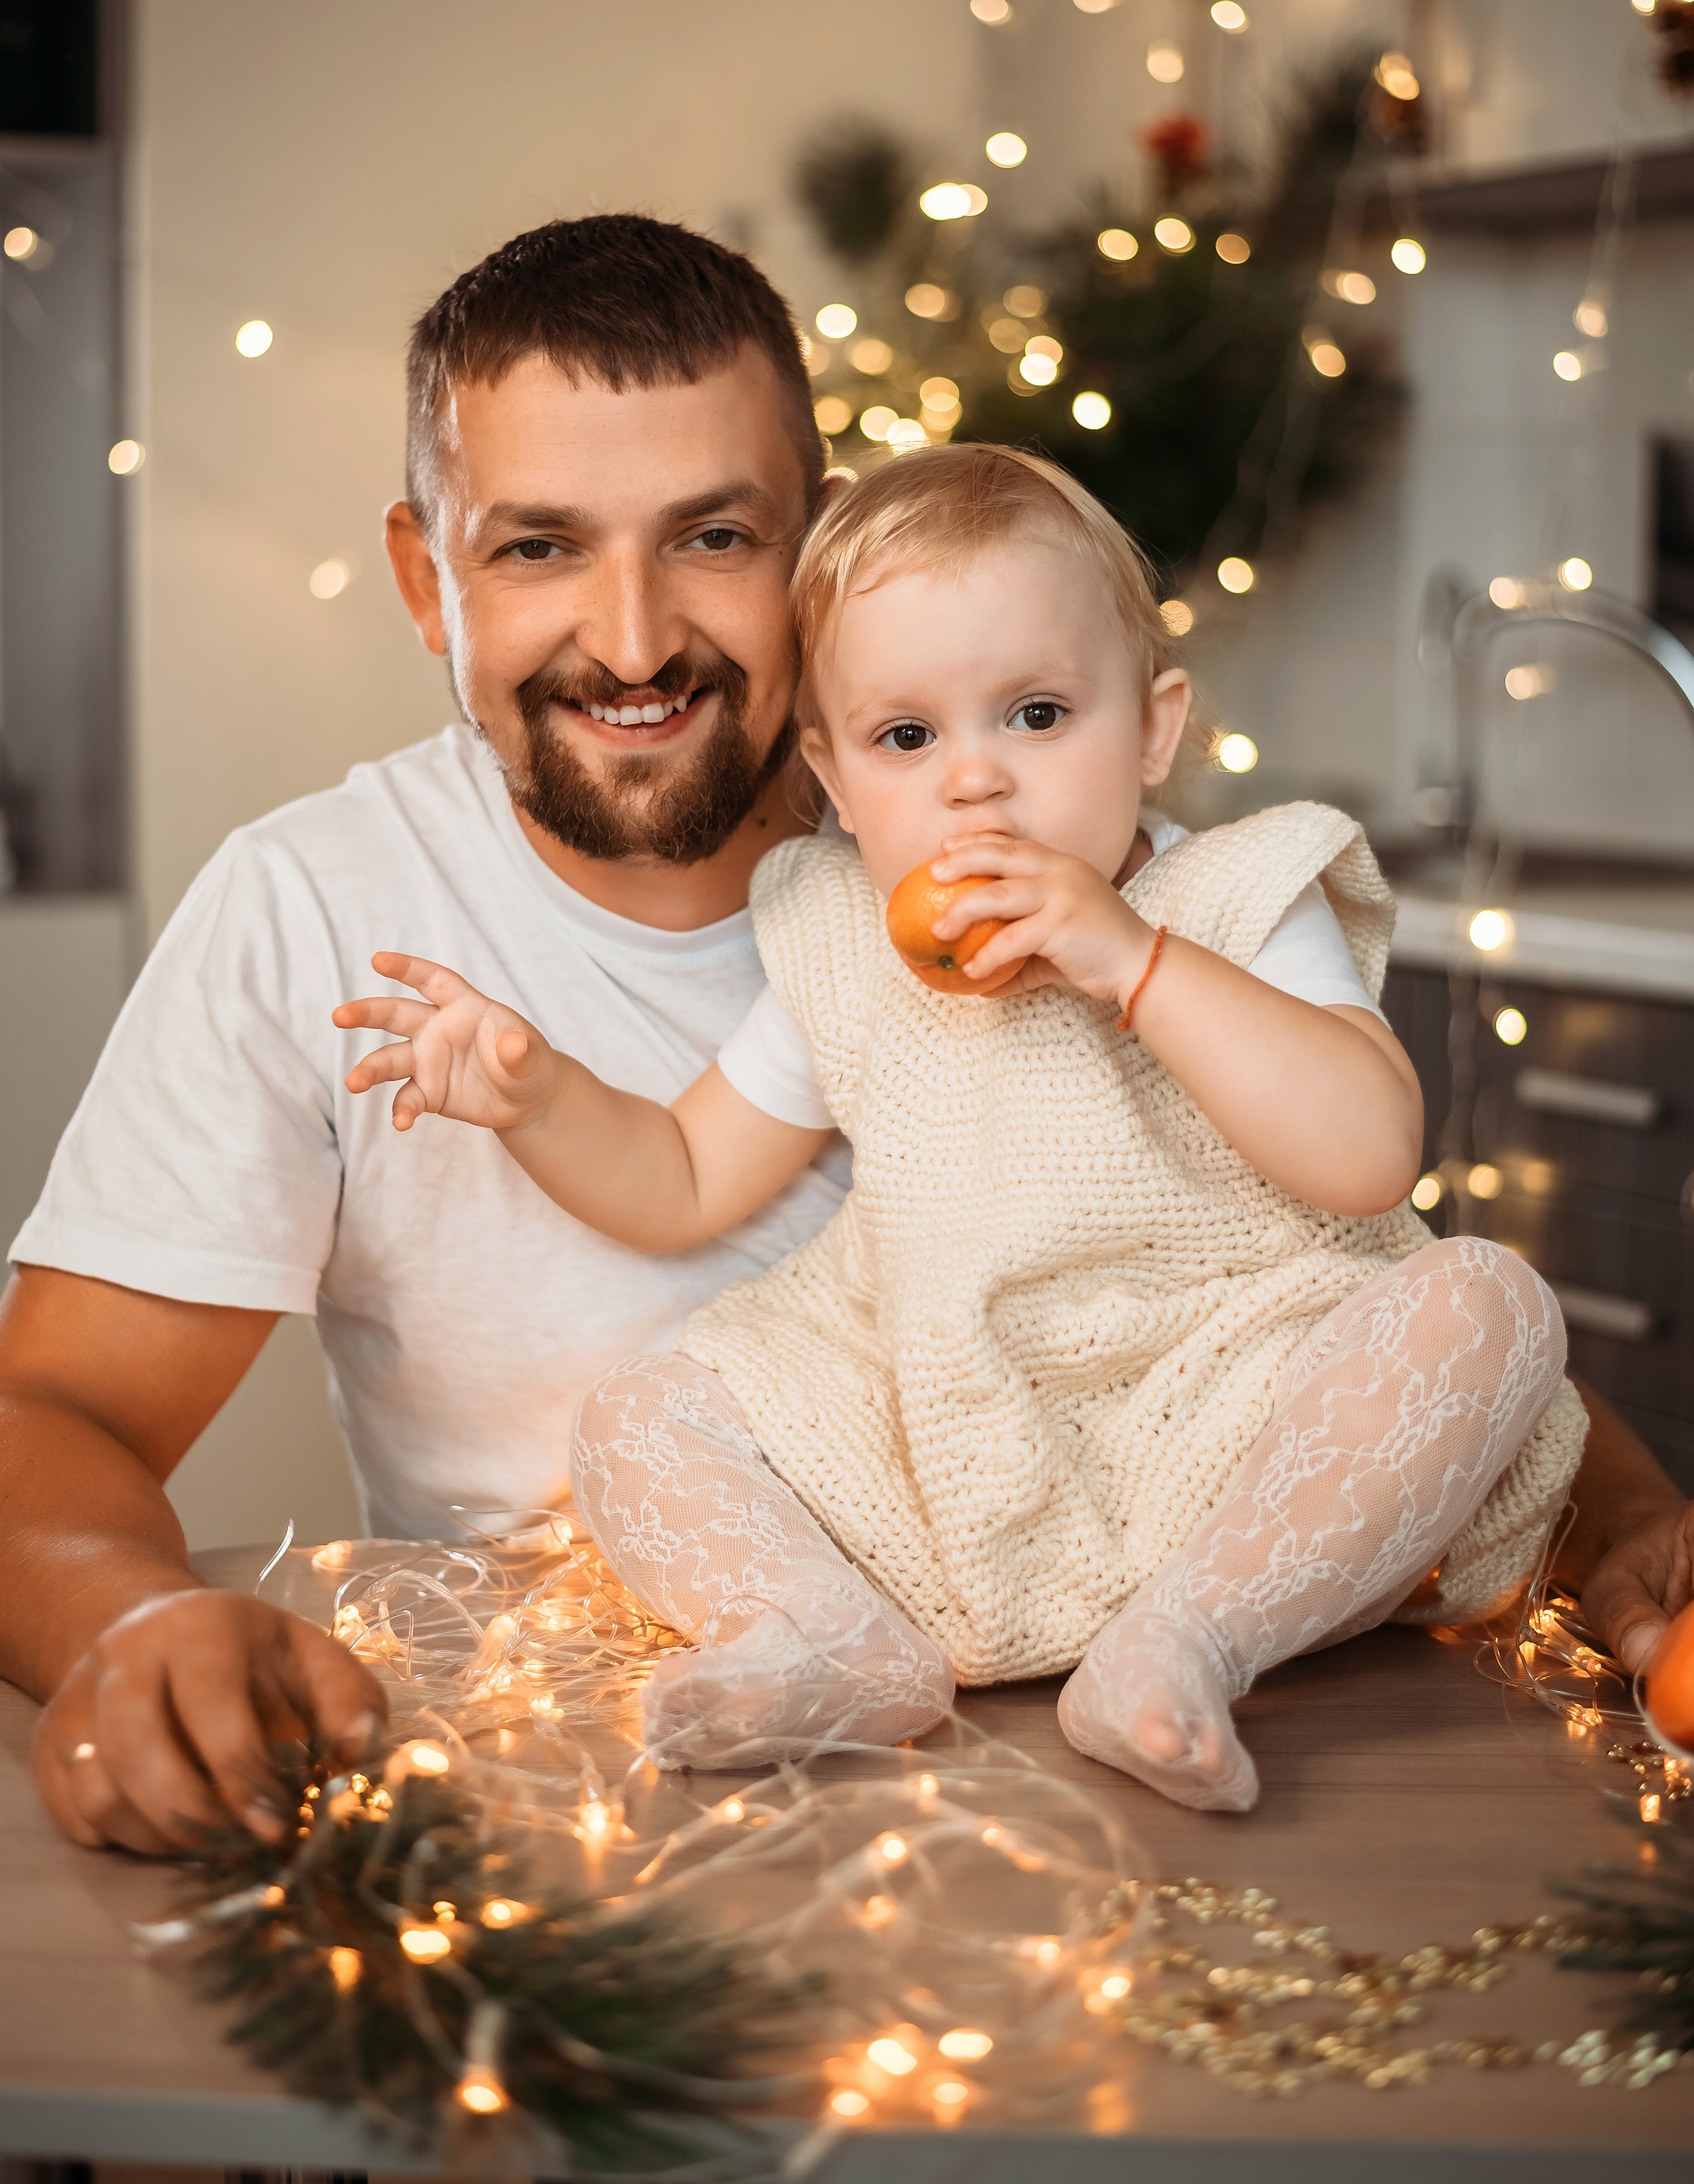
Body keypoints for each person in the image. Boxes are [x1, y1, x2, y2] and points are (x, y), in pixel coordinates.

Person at [0, 219, 1687, 1851]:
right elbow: (57, 1413)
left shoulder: (1070, 841)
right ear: (425, 581)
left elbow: (1349, 1264)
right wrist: (127, 1625)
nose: (635, 640)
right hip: (644, 1778)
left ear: (811, 552)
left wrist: (1615, 1510)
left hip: (1248, 1733)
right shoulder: (324, 909)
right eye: (536, 547)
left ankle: (1186, 1635)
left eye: (713, 537)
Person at [327, 445, 1581, 1812]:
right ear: (831, 771)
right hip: (944, 1413)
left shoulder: (1236, 897)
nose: (974, 781)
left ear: (1152, 729)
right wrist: (537, 1098)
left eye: (1036, 715)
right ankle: (829, 1640)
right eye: (907, 739)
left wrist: (1132, 959)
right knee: (639, 1414)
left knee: (1488, 1303)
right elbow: (681, 1177)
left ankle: (1191, 1639)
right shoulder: (844, 937)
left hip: (1226, 1391)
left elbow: (1369, 1155)